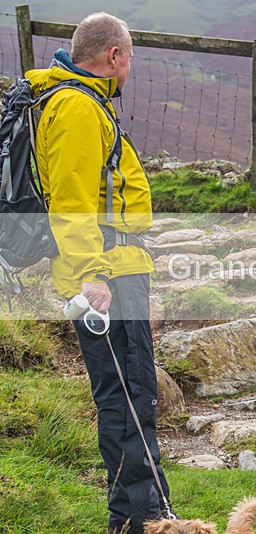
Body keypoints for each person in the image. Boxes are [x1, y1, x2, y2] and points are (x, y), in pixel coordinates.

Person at [27, 12, 175, 533]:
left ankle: (135, 515)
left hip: (115, 267)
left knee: (129, 393)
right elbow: (71, 200)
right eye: (129, 57)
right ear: (113, 56)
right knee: (130, 396)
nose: (130, 67)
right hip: (107, 274)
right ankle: (143, 519)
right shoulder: (75, 107)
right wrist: (92, 275)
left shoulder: (84, 102)